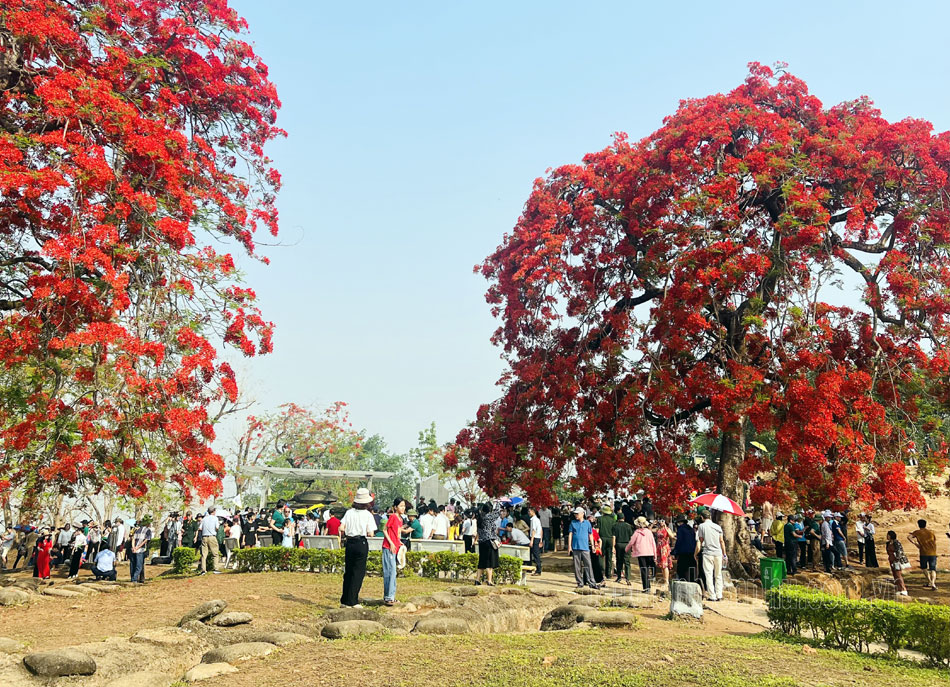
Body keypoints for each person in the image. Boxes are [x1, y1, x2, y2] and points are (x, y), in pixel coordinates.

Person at [340, 488, 377, 608]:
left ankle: (345, 600)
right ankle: (353, 600)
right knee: (358, 572)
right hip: (361, 543)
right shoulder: (367, 515)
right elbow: (371, 533)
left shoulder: (349, 512)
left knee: (349, 571)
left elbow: (341, 527)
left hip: (350, 543)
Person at [382, 497, 407, 607]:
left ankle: (391, 595)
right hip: (388, 547)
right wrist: (391, 542)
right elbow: (384, 530)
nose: (403, 508)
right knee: (390, 572)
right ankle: (388, 597)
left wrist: (399, 542)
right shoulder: (392, 517)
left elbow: (397, 533)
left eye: (404, 506)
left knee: (393, 572)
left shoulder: (400, 519)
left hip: (395, 547)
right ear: (395, 507)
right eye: (401, 506)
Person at [697, 511, 725, 601]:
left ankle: (712, 595)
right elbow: (721, 541)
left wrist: (695, 553)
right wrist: (724, 554)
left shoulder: (701, 526)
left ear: (702, 517)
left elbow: (700, 541)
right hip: (718, 553)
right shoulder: (718, 527)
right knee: (718, 574)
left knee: (708, 575)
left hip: (708, 553)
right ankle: (719, 594)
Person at [567, 506, 597, 589]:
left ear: (582, 514)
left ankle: (591, 582)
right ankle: (580, 582)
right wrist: (569, 546)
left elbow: (590, 534)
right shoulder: (573, 523)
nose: (576, 515)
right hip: (576, 547)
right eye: (575, 514)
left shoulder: (587, 523)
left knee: (588, 565)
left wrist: (593, 546)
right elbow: (570, 534)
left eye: (577, 514)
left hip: (585, 547)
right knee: (577, 566)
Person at [626, 516, 657, 593]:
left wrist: (626, 549)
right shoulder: (649, 532)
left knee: (644, 570)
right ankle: (649, 586)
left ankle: (646, 587)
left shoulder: (636, 532)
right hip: (650, 553)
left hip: (641, 553)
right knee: (648, 570)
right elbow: (653, 543)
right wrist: (655, 555)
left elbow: (631, 542)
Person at [475, 501, 501, 586]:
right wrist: (498, 503)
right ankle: (489, 581)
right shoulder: (488, 517)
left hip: (481, 542)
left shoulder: (479, 518)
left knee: (481, 561)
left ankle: (477, 580)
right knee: (490, 562)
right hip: (489, 541)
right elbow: (497, 514)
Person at [908, 519, 938, 590]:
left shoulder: (917, 532)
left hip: (923, 553)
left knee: (924, 568)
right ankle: (933, 583)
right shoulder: (931, 532)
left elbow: (909, 537)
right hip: (933, 553)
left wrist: (915, 543)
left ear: (918, 525)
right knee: (933, 569)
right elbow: (934, 541)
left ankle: (929, 582)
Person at [673, 513, 698, 582]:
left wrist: (675, 551)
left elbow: (679, 541)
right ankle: (693, 580)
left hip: (683, 551)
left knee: (682, 568)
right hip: (692, 551)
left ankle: (683, 581)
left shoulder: (681, 529)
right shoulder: (691, 529)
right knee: (691, 567)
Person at [886, 530, 909, 596]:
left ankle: (903, 589)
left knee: (898, 574)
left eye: (888, 535)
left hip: (896, 561)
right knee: (894, 575)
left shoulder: (896, 543)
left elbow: (899, 551)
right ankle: (898, 589)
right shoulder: (888, 543)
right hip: (891, 559)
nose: (887, 536)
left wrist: (896, 559)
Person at [198, 506, 221, 574]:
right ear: (213, 511)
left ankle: (203, 570)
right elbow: (217, 527)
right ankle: (216, 569)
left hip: (204, 537)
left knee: (204, 554)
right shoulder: (215, 518)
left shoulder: (204, 519)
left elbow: (200, 528)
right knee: (215, 553)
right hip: (212, 536)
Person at [129, 516, 152, 583]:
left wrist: (133, 547)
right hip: (140, 550)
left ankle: (132, 578)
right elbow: (145, 541)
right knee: (139, 566)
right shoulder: (148, 530)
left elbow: (133, 539)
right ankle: (134, 578)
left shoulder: (137, 529)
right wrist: (137, 547)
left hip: (134, 549)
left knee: (133, 564)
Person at [614, 514, 634, 585]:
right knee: (627, 562)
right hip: (627, 545)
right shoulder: (628, 526)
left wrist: (613, 546)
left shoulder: (615, 526)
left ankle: (619, 577)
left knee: (619, 561)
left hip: (618, 544)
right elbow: (631, 537)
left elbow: (614, 537)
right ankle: (628, 578)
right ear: (624, 518)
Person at [654, 518, 674, 589]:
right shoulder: (658, 529)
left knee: (665, 565)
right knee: (661, 566)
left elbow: (672, 536)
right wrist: (653, 524)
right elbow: (650, 530)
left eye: (663, 521)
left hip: (664, 547)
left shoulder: (667, 529)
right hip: (659, 547)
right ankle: (664, 580)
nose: (661, 522)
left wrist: (666, 528)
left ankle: (667, 581)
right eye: (660, 521)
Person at [599, 506, 617, 582]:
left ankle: (601, 572)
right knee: (609, 557)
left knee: (601, 556)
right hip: (610, 539)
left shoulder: (600, 519)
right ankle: (608, 574)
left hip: (602, 538)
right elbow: (614, 534)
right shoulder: (613, 520)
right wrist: (613, 545)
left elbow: (597, 530)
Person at [528, 506, 543, 576]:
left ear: (533, 512)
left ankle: (539, 570)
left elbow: (534, 530)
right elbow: (540, 530)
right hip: (537, 538)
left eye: (529, 511)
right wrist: (541, 539)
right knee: (534, 553)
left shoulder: (534, 520)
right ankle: (532, 568)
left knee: (536, 554)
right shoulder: (537, 519)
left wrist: (531, 540)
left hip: (535, 538)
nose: (529, 512)